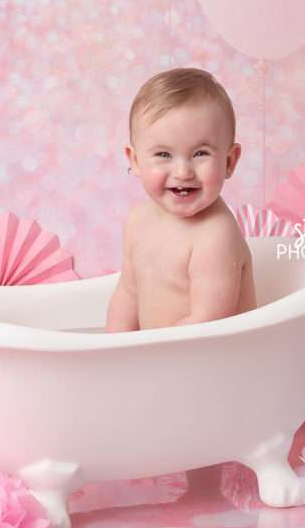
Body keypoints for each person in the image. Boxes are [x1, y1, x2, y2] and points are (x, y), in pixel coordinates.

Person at [106, 67, 256, 332]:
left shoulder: (215, 236)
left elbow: (206, 326)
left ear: (229, 161)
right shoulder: (138, 221)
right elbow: (128, 294)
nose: (183, 172)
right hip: (166, 357)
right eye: (164, 155)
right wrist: (109, 348)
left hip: (212, 363)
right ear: (136, 160)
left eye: (200, 153)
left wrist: (146, 357)